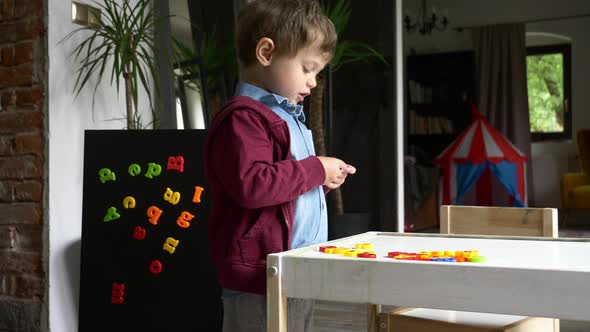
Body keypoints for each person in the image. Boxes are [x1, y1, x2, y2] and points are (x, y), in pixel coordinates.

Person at [204, 0, 356, 331]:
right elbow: (253, 184)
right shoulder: (244, 119)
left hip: (294, 270)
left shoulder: (286, 118)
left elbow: (282, 190)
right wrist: (315, 169)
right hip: (259, 280)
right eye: (307, 68)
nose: (313, 82)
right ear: (266, 53)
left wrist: (320, 182)